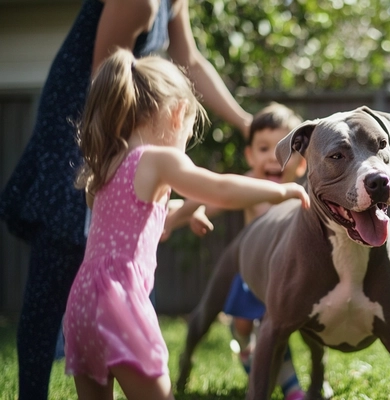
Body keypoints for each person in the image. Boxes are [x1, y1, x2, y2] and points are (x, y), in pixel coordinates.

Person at [0, 0, 252, 398]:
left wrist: (244, 121)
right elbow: (106, 87)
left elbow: (191, 60)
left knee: (117, 263)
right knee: (59, 266)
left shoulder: (173, 3)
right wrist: (121, 161)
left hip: (126, 135)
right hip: (89, 131)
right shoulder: (139, 2)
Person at [63, 49, 309, 400]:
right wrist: (279, 190)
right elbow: (221, 189)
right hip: (120, 300)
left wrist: (183, 208)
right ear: (178, 114)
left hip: (82, 301)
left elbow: (136, 212)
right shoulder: (157, 159)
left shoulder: (108, 165)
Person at [161, 103, 307, 400]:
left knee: (275, 326)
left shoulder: (301, 195)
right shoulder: (250, 185)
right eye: (264, 149)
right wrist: (197, 211)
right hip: (252, 271)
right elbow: (211, 198)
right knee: (243, 322)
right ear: (250, 156)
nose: (272, 158)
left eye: (282, 150)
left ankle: (292, 386)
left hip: (283, 276)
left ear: (301, 163)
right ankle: (243, 345)